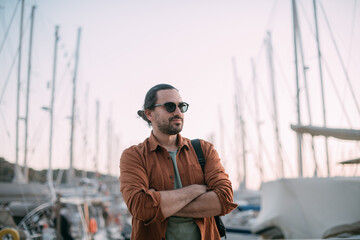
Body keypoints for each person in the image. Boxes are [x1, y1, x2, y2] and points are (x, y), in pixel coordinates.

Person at [119, 84, 237, 240]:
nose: (178, 112)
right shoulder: (134, 156)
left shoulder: (204, 150)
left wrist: (161, 206)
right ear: (149, 114)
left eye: (181, 106)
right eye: (169, 106)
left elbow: (225, 199)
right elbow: (141, 207)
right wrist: (195, 190)